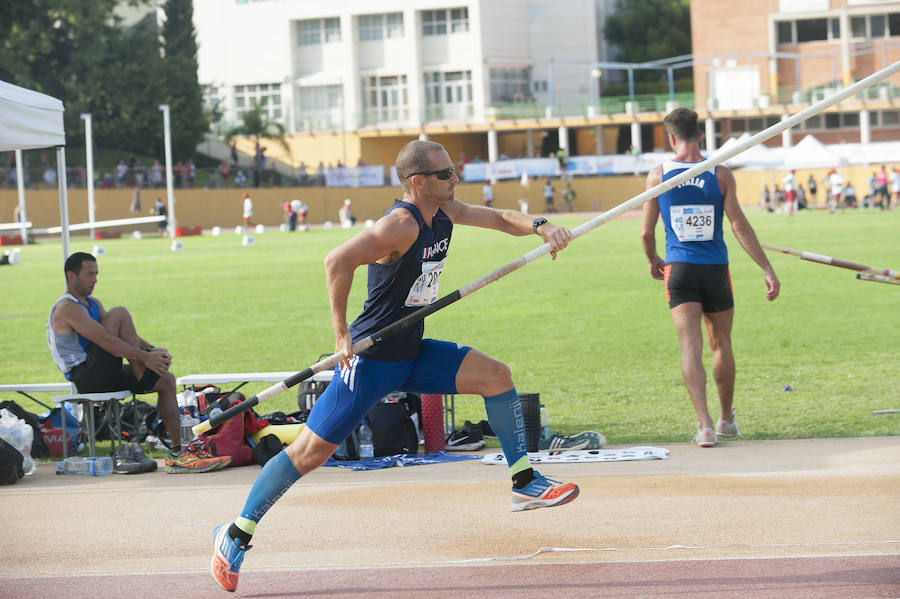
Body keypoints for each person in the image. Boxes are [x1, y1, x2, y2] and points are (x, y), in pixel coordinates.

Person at [209, 140, 578, 592]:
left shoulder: (443, 212)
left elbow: (500, 218)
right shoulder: (399, 226)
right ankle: (234, 535)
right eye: (445, 174)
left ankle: (524, 480)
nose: (454, 179)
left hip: (412, 352)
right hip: (372, 361)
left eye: (454, 170)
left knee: (495, 375)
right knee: (309, 454)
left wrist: (543, 225)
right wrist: (341, 334)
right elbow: (337, 260)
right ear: (417, 182)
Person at [640, 108, 780, 448]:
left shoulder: (658, 175)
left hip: (679, 268)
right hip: (716, 268)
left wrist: (652, 260)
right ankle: (726, 420)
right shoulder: (720, 174)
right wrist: (766, 267)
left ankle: (703, 426)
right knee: (722, 343)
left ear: (671, 138)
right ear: (700, 135)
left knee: (690, 344)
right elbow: (739, 226)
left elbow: (646, 233)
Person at [47, 252, 228, 474]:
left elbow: (122, 336)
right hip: (86, 377)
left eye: (96, 273)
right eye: (89, 274)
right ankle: (143, 373)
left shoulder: (92, 303)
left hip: (104, 371)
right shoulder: (67, 307)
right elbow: (106, 341)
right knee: (119, 313)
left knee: (166, 380)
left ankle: (179, 452)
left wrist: (152, 350)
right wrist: (144, 358)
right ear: (71, 276)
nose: (95, 279)